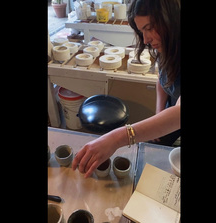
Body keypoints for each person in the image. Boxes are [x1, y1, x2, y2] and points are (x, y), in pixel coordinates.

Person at [72, 0, 181, 178]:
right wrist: (159, 111)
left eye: (149, 27)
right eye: (141, 31)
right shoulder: (167, 44)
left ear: (171, 19)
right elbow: (163, 81)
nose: (145, 39)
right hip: (173, 108)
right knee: (153, 151)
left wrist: (117, 138)